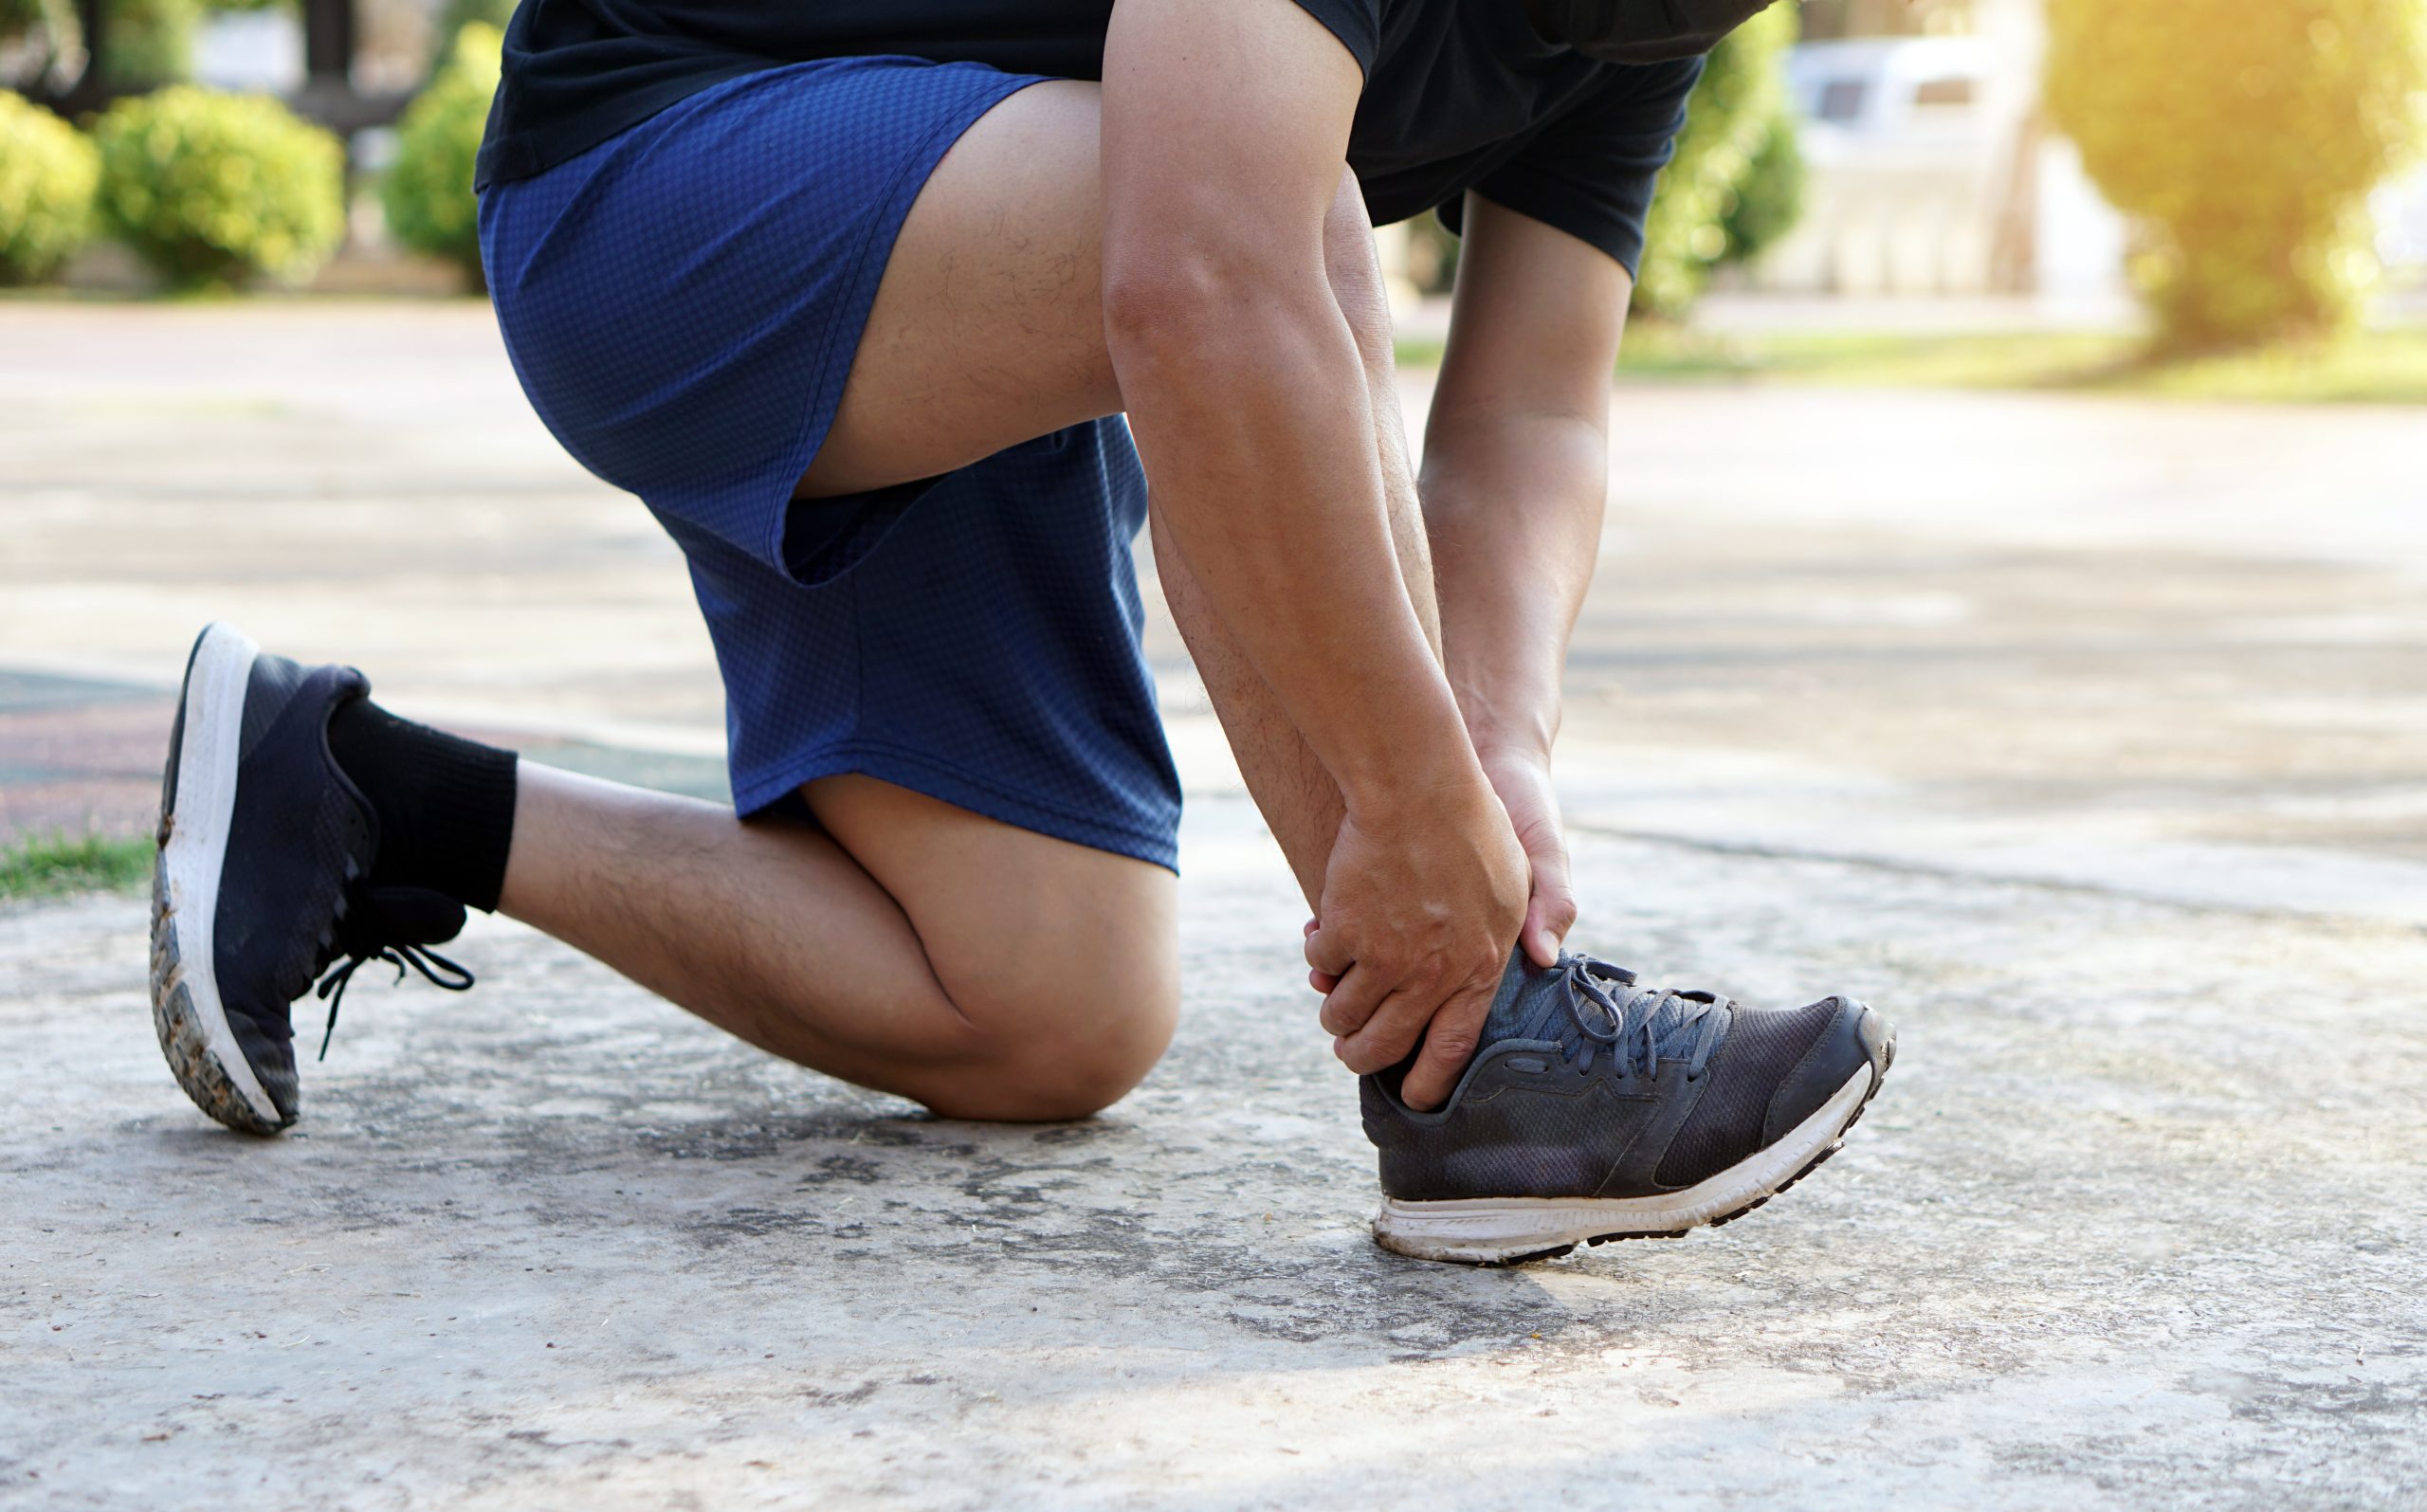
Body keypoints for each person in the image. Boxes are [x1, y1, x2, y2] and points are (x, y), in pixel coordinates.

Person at [147, 0, 1895, 1266]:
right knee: (1274, 224)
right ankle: (1491, 1073)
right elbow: (1204, 273)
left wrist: (1495, 746)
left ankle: (356, 789)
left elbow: (1534, 422)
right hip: (661, 175)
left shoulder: (1644, 25)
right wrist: (1410, 808)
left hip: (993, 257)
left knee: (1048, 1008)